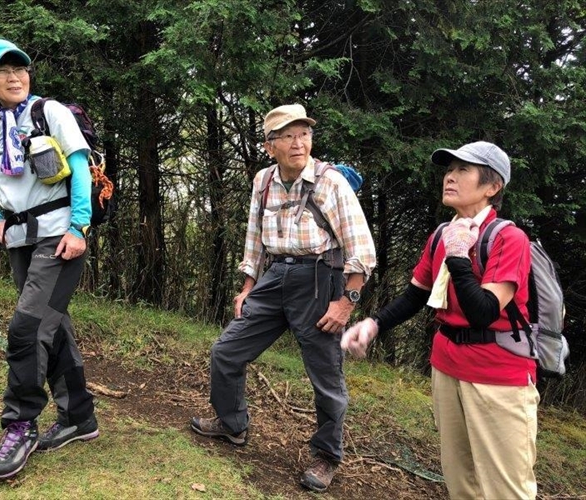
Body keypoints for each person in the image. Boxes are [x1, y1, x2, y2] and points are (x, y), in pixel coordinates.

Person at [190, 104, 376, 493]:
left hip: (319, 278)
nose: (298, 143)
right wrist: (248, 286)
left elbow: (361, 248)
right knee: (227, 350)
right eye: (288, 136)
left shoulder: (330, 183)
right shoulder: (263, 180)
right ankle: (232, 423)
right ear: (269, 145)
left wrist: (345, 303)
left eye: (304, 134)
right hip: (275, 276)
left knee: (325, 373)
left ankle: (326, 456)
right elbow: (254, 237)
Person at [341, 141, 539, 499]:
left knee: (506, 489)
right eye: (449, 169)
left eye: (463, 170)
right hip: (447, 368)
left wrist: (460, 257)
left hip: (498, 378)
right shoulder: (443, 235)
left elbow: (484, 312)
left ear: (493, 186)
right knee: (460, 480)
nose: (450, 177)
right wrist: (374, 324)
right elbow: (416, 295)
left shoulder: (509, 239)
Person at [0, 39, 99, 481]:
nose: (14, 77)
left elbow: (79, 167)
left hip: (60, 235)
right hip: (21, 241)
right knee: (52, 326)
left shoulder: (50, 112)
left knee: (26, 328)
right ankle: (79, 417)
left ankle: (20, 424)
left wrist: (79, 226)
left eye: (20, 69)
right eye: (2, 71)